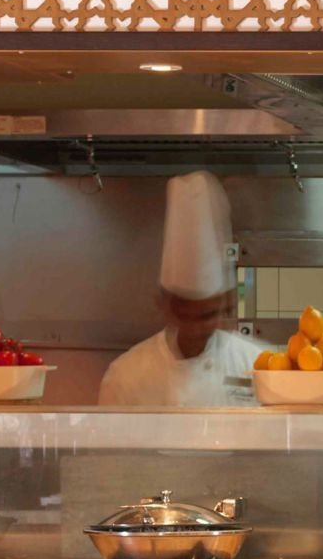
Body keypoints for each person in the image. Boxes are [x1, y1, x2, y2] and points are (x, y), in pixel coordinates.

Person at [97, 171, 273, 405]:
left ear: (225, 303)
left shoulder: (256, 365)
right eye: (184, 315)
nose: (195, 328)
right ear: (163, 306)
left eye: (206, 315)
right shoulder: (125, 377)